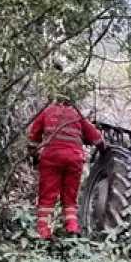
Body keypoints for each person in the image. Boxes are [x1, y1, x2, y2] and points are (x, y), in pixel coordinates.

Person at [27, 99, 106, 239]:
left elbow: (33, 137)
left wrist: (34, 155)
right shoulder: (77, 115)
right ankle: (72, 228)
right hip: (74, 160)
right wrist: (103, 150)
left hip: (51, 159)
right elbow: (97, 138)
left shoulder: (47, 112)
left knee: (47, 197)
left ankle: (43, 232)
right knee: (70, 198)